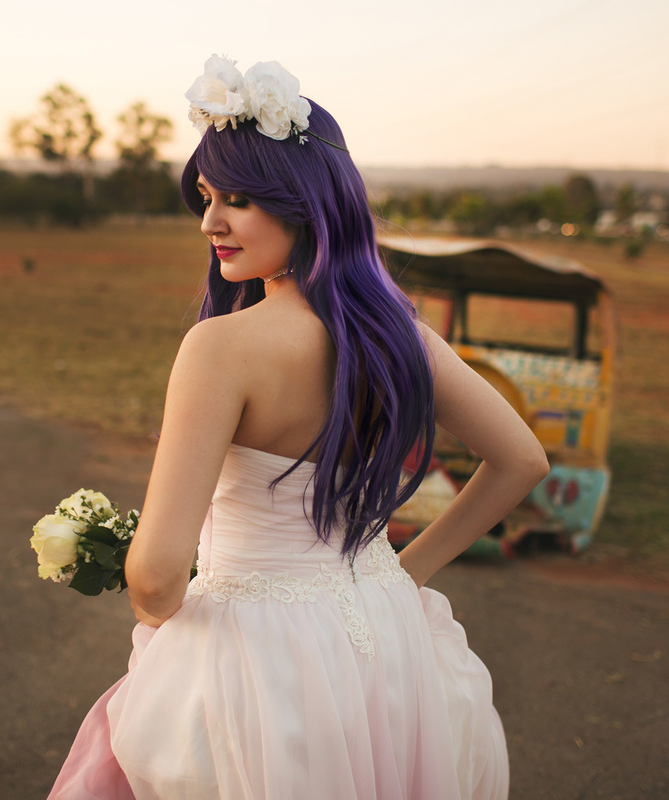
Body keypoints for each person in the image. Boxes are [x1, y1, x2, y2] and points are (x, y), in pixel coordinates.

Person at [49, 56, 549, 800]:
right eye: (208, 196)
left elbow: (155, 578)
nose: (210, 221)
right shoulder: (400, 336)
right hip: (384, 636)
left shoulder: (222, 348)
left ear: (307, 205)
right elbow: (522, 459)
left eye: (240, 199)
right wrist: (405, 576)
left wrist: (152, 591)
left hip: (256, 660)